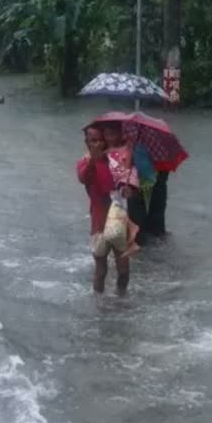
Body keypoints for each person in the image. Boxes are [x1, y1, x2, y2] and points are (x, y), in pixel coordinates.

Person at [77, 125, 132, 295]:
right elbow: (83, 178)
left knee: (124, 270)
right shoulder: (84, 163)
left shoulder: (116, 160)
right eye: (94, 141)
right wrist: (94, 159)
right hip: (99, 224)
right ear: (87, 142)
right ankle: (100, 308)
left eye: (101, 139)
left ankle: (121, 302)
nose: (99, 143)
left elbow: (127, 187)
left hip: (120, 221)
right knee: (101, 270)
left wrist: (130, 190)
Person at [102, 122, 148, 246]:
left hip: (128, 180)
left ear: (120, 134)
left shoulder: (128, 147)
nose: (109, 138)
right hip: (114, 184)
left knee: (130, 206)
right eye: (106, 135)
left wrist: (131, 152)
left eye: (113, 134)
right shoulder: (105, 152)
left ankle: (134, 238)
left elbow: (129, 166)